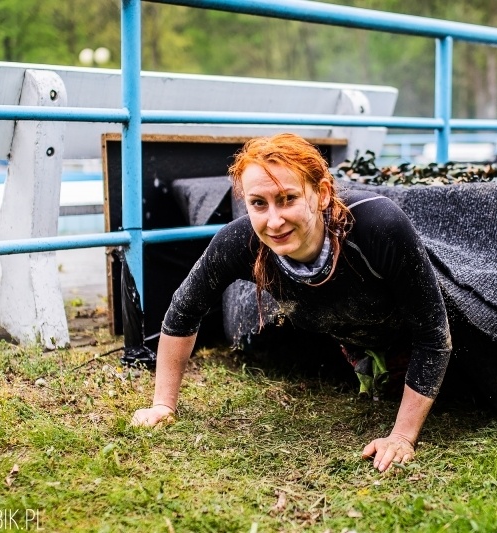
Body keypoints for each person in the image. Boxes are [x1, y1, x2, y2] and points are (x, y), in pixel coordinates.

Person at [132, 133, 452, 472]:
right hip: (363, 341)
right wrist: (163, 405)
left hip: (452, 333)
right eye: (258, 203)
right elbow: (183, 311)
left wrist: (402, 436)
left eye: (287, 199)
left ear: (323, 194)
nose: (274, 221)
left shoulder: (377, 226)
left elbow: (434, 336)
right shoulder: (239, 242)